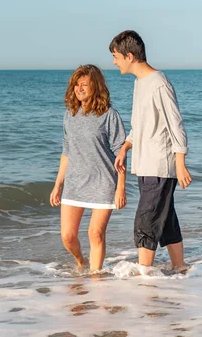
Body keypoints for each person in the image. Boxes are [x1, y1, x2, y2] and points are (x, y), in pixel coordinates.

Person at [109, 30, 192, 271]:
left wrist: (180, 163)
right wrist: (125, 146)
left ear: (130, 56)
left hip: (160, 165)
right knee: (165, 221)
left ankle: (143, 278)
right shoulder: (140, 83)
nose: (114, 62)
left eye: (116, 56)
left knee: (145, 221)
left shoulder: (159, 83)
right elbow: (139, 126)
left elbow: (175, 124)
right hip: (145, 164)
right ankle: (180, 268)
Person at [50, 64, 127, 271]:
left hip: (103, 182)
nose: (79, 88)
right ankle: (81, 263)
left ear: (96, 86)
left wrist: (121, 188)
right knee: (67, 236)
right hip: (75, 182)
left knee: (95, 233)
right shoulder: (70, 114)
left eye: (84, 84)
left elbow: (121, 153)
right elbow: (67, 151)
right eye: (76, 84)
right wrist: (58, 185)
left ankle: (95, 277)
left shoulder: (109, 115)